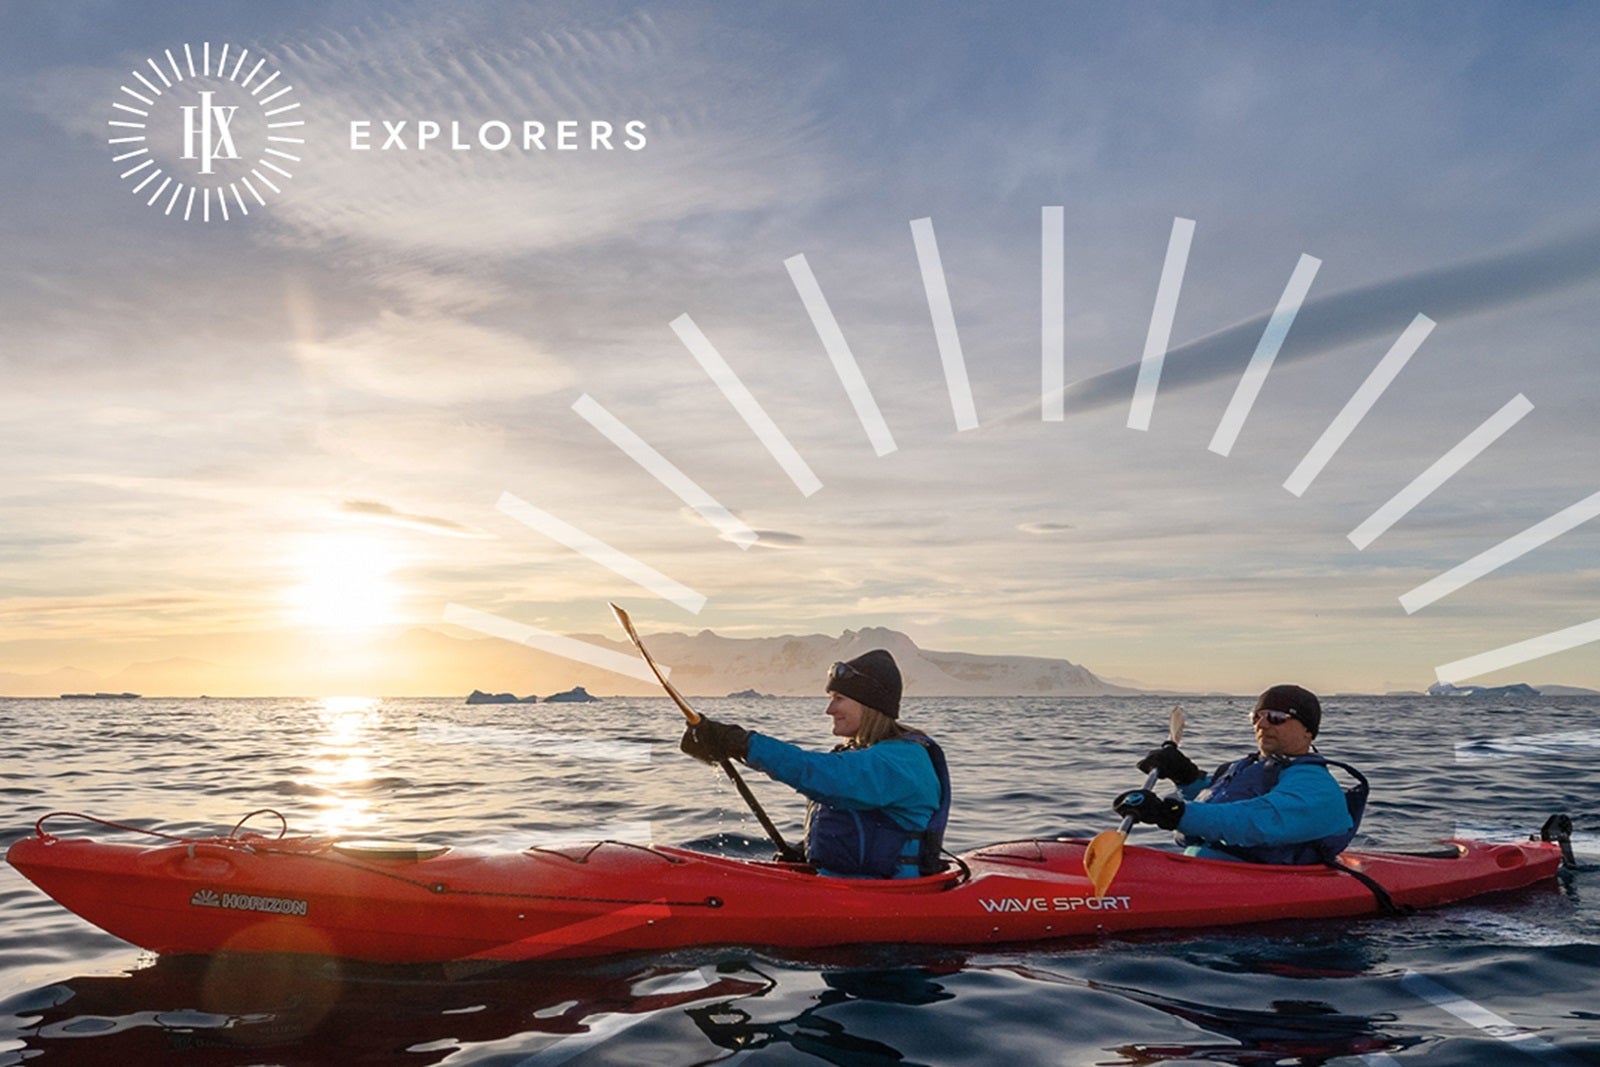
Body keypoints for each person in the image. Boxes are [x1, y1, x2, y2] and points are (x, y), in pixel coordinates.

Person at [679, 649, 952, 879]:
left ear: (869, 705)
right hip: (842, 884)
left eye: (839, 699)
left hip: (884, 896)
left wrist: (742, 744)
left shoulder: (900, 761)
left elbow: (816, 772)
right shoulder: (864, 753)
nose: (829, 710)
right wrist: (804, 851)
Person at [1112, 684, 1366, 864]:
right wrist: (1186, 777)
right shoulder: (1251, 767)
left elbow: (1256, 821)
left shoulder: (1316, 786)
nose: (1262, 724)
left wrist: (1171, 813)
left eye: (1277, 717)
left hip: (1262, 881)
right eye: (1257, 716)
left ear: (1308, 731)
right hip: (1209, 867)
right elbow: (1222, 802)